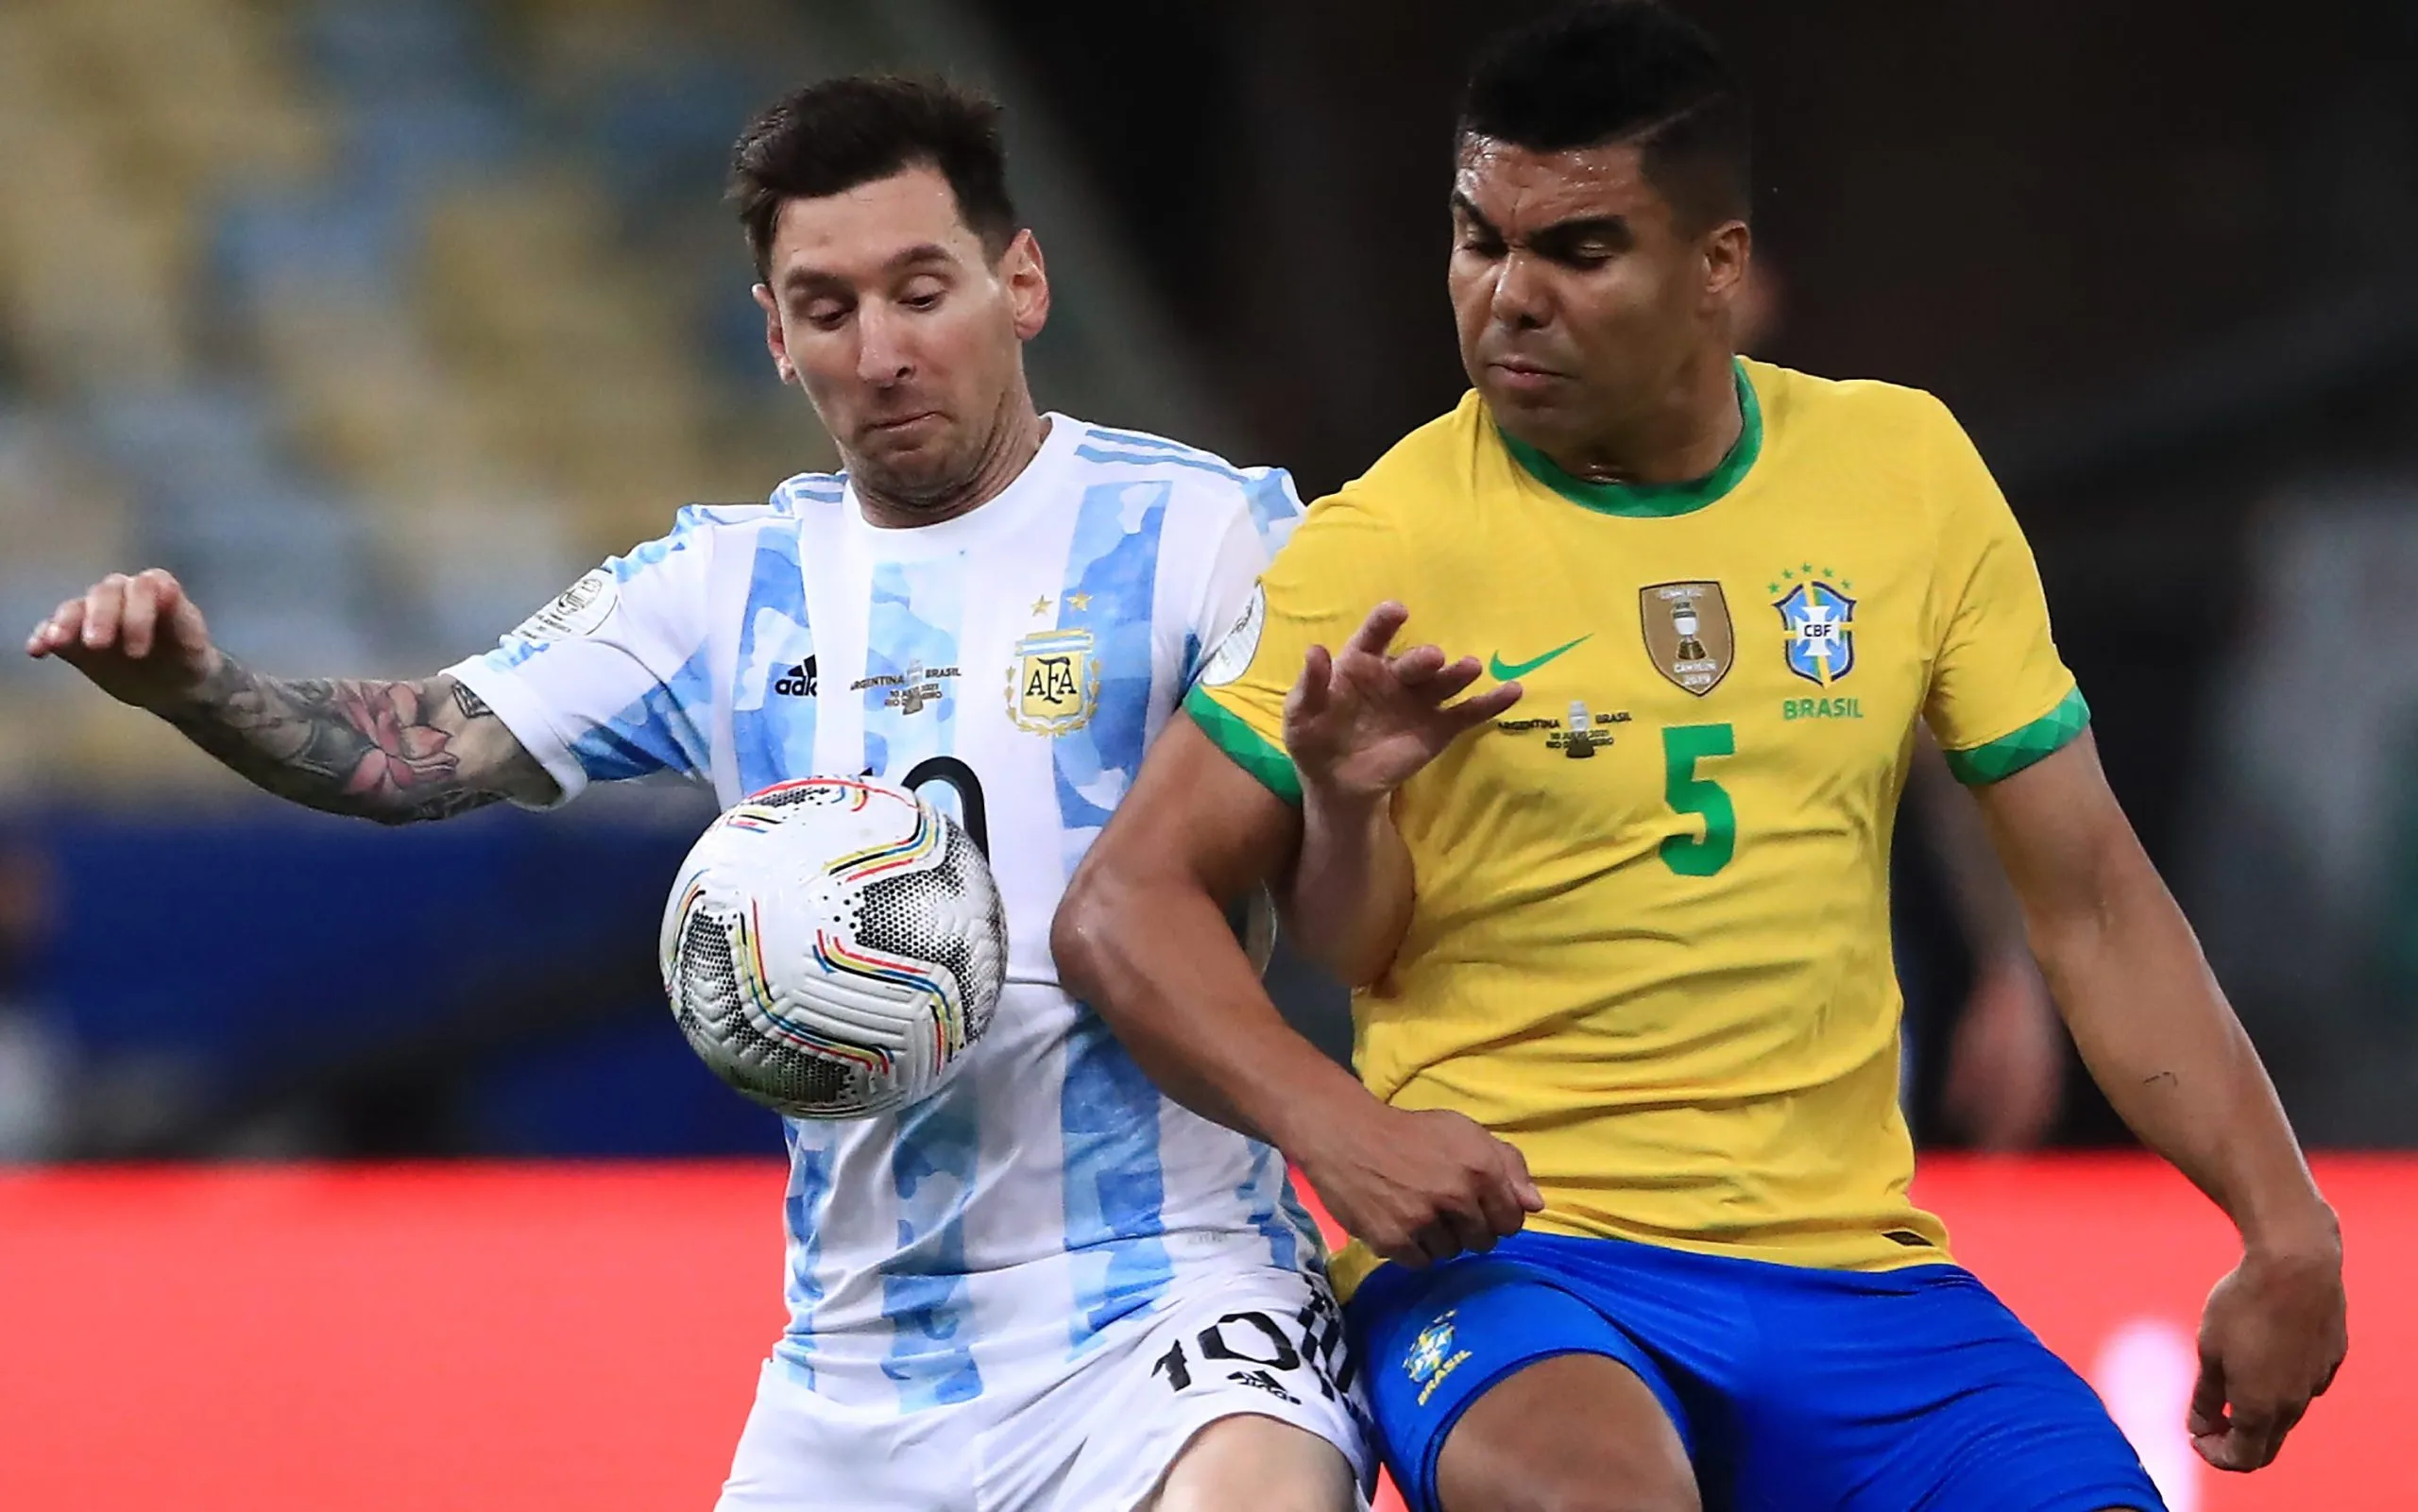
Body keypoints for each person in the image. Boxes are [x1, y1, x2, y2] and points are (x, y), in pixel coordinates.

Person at [1050, 7, 2346, 1512]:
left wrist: (2284, 1223)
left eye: (1578, 251)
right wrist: (1344, 1132)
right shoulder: (1387, 537)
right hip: (1526, 1280)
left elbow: (2097, 902)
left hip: (1856, 1283)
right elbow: (1121, 908)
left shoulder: (1905, 476)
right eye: (1479, 241)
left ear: (1717, 267)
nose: (1507, 299)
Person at [27, 75, 1370, 1512]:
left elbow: (1353, 894)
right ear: (775, 334)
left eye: (923, 291)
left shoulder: (1210, 535)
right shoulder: (720, 585)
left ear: (1022, 280)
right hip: (861, 1363)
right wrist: (200, 689)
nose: (884, 350)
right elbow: (415, 750)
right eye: (830, 307)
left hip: (1171, 1297)